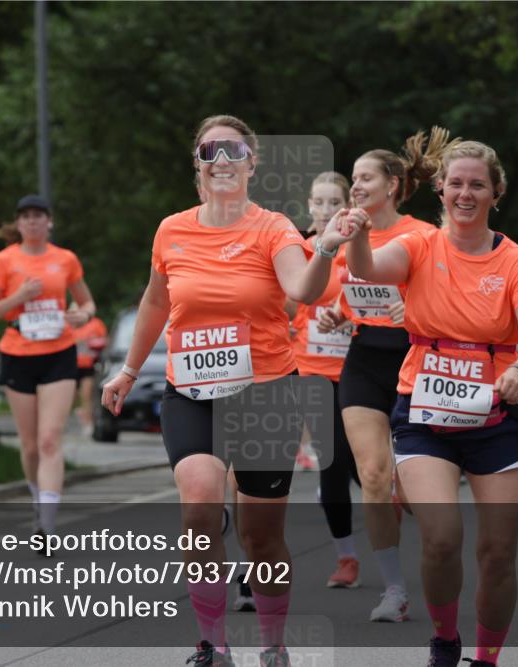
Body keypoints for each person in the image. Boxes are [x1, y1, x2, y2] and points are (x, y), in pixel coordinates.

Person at [101, 115, 364, 667]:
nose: (222, 160)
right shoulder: (172, 230)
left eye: (234, 151)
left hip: (265, 392)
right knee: (199, 503)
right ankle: (213, 645)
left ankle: (272, 644)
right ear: (197, 164)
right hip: (191, 391)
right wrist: (128, 370)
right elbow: (155, 301)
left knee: (261, 535)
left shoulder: (273, 228)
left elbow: (301, 289)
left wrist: (325, 249)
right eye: (210, 151)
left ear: (252, 163)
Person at [343, 139, 518, 667]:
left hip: (498, 417)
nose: (465, 193)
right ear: (440, 189)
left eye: (477, 184)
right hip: (425, 413)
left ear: (496, 193)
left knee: (497, 554)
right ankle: (444, 639)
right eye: (456, 183)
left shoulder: (517, 262)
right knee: (440, 538)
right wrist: (358, 234)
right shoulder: (419, 246)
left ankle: (486, 658)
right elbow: (366, 269)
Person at [317, 128, 456, 622]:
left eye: (365, 177)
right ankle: (394, 591)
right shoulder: (347, 230)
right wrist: (337, 313)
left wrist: (412, 309)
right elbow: (352, 290)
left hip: (413, 359)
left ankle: (431, 521)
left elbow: (447, 296)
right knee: (373, 475)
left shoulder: (422, 235)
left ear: (392, 185)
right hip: (363, 358)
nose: (355, 185)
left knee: (417, 498)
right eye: (353, 178)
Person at [0, 195, 96, 546]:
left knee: (49, 439)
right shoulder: (5, 260)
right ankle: (37, 497)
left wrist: (83, 315)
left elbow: (87, 302)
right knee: (30, 446)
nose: (32, 221)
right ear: (18, 223)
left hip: (59, 353)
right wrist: (20, 296)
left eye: (38, 216)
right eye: (26, 216)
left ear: (49, 222)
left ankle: (47, 524)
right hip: (18, 354)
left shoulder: (65, 259)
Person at [290, 171, 362, 588]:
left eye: (334, 202)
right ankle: (346, 557)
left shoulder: (361, 252)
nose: (325, 210)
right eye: (318, 202)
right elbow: (282, 306)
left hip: (357, 370)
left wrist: (352, 318)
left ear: (346, 207)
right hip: (312, 371)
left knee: (363, 466)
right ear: (309, 205)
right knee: (332, 460)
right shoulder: (296, 250)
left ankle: (387, 492)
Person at [72, 315, 108, 431]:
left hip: (88, 366)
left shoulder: (96, 324)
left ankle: (87, 422)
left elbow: (104, 341)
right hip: (70, 366)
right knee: (70, 397)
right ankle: (79, 413)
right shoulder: (69, 323)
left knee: (86, 394)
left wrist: (93, 342)